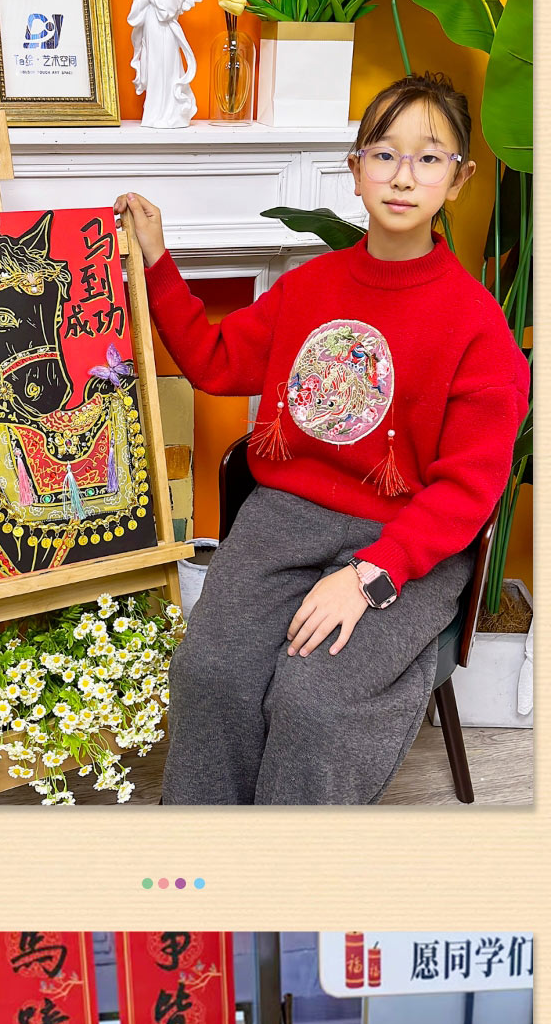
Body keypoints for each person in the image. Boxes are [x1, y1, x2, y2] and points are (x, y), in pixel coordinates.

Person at [114, 70, 529, 805]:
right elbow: (213, 362)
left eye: (429, 157)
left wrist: (369, 576)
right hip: (284, 519)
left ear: (459, 178)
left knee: (313, 701)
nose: (404, 176)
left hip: (409, 541)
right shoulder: (310, 287)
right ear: (356, 168)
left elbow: (469, 490)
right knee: (209, 672)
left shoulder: (478, 326)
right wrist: (156, 259)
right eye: (384, 154)